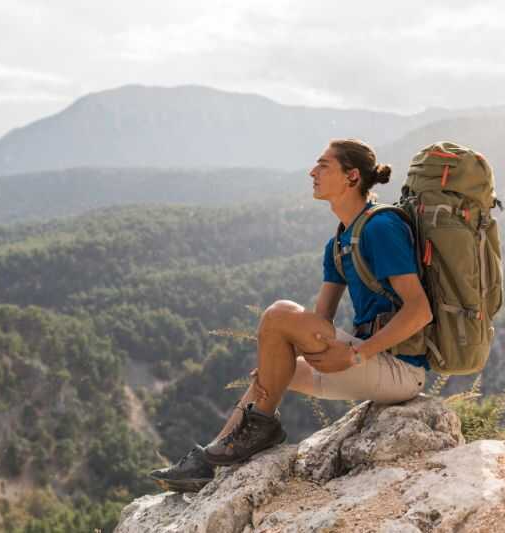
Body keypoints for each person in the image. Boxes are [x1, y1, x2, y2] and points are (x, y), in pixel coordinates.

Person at [150, 138, 432, 492]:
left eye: (323, 166)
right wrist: (277, 359)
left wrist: (357, 352)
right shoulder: (340, 243)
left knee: (279, 312)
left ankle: (260, 427)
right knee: (270, 371)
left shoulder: (380, 228)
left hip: (402, 371)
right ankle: (206, 462)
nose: (312, 172)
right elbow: (318, 324)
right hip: (370, 365)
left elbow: (420, 311)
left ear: (352, 177)